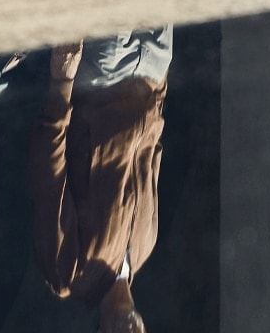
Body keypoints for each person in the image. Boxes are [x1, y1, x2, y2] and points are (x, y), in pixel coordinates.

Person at [27, 32, 172, 332]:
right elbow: (152, 149)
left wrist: (61, 82)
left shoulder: (67, 276)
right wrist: (160, 83)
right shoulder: (146, 248)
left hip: (104, 75)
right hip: (154, 68)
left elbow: (47, 174)